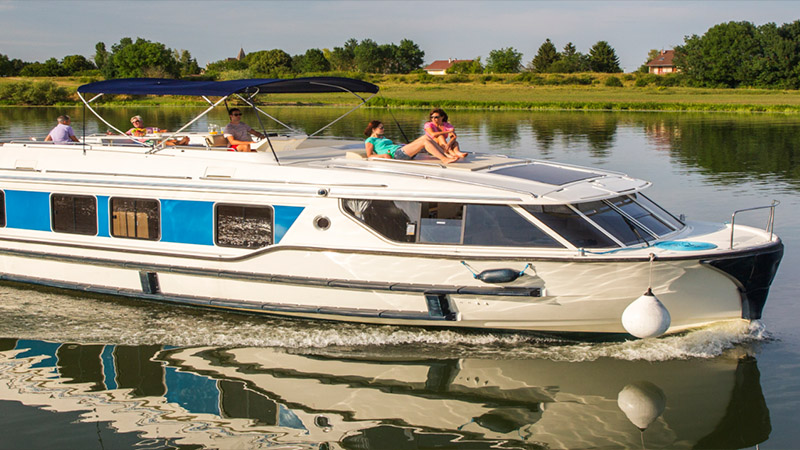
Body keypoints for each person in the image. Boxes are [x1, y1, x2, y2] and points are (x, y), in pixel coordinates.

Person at [364, 120, 457, 164]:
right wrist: (383, 156)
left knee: (425, 137)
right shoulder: (370, 140)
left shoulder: (382, 138)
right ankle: (444, 159)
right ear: (373, 129)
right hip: (396, 154)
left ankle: (446, 155)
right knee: (424, 141)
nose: (383, 129)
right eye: (381, 128)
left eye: (383, 127)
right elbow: (369, 155)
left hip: (400, 150)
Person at [126, 115, 190, 146]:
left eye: (137, 121)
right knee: (159, 142)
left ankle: (181, 142)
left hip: (155, 139)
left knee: (168, 140)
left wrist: (164, 131)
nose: (135, 123)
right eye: (133, 122)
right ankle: (181, 143)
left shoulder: (149, 129)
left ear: (141, 121)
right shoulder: (132, 130)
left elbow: (161, 131)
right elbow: (125, 134)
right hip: (147, 142)